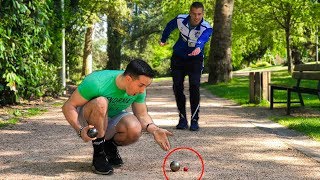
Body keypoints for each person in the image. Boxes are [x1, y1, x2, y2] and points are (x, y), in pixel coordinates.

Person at [62, 59, 173, 175]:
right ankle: (99, 154)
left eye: (146, 86)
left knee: (134, 128)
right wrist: (80, 130)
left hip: (110, 118)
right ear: (128, 79)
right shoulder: (96, 82)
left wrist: (154, 130)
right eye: (141, 85)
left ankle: (108, 145)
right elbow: (68, 106)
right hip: (88, 119)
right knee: (101, 102)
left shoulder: (139, 90)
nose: (142, 90)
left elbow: (142, 114)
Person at [160, 2, 213, 131]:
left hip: (195, 59)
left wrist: (198, 47)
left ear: (203, 14)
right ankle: (182, 118)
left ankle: (194, 120)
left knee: (194, 86)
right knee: (177, 86)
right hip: (178, 58)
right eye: (194, 14)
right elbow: (169, 26)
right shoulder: (180, 19)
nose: (196, 17)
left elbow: (204, 38)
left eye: (199, 14)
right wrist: (163, 39)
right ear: (190, 12)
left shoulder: (206, 27)